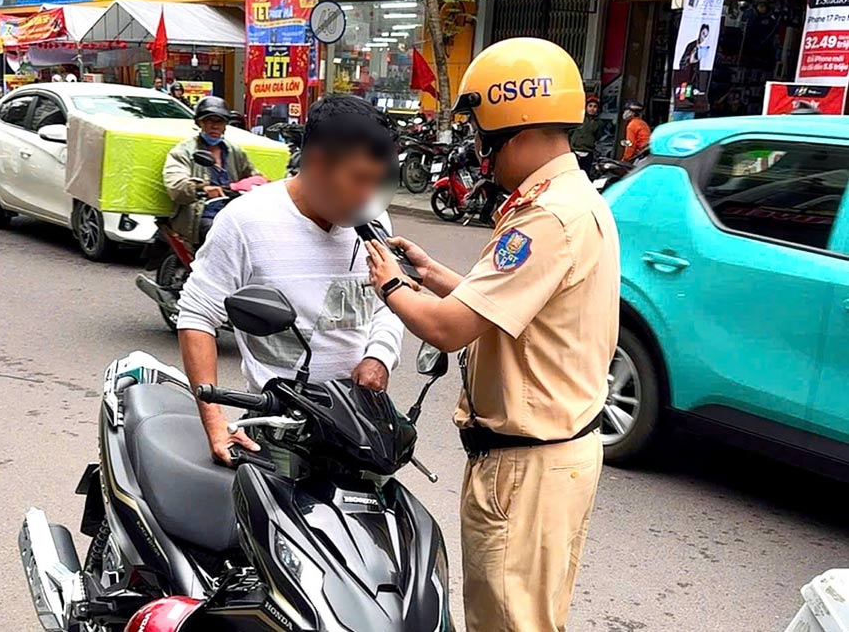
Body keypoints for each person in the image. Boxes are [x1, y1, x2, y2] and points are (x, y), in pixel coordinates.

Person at [363, 37, 619, 632]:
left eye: (484, 136)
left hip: (527, 469)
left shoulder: (545, 220)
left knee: (506, 623)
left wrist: (390, 285)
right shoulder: (574, 199)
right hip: (555, 458)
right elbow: (510, 310)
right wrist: (430, 272)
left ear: (518, 130)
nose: (480, 152)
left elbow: (451, 330)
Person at [176, 93, 404, 467]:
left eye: (375, 182)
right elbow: (196, 317)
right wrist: (215, 423)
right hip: (281, 430)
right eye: (358, 179)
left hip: (360, 425)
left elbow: (389, 303)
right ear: (316, 162)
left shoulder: (372, 222)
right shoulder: (246, 220)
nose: (367, 195)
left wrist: (379, 356)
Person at [163, 96, 261, 244]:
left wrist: (260, 185)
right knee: (219, 234)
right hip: (201, 215)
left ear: (225, 125)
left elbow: (253, 175)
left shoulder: (234, 151)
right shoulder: (184, 151)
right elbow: (176, 185)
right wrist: (202, 189)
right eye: (209, 120)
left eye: (219, 121)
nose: (214, 126)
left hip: (232, 213)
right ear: (200, 123)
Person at [569, 94, 603, 175]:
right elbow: (570, 133)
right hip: (574, 151)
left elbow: (598, 136)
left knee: (585, 174)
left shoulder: (598, 123)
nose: (592, 108)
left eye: (595, 106)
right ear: (586, 107)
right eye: (590, 106)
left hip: (587, 153)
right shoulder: (579, 119)